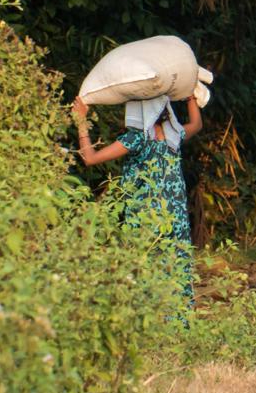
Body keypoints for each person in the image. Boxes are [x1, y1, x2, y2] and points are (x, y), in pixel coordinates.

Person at [71, 94, 203, 315]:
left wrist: (81, 121)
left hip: (145, 217)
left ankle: (148, 323)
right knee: (176, 267)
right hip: (175, 217)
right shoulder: (174, 134)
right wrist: (190, 97)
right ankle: (178, 323)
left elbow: (90, 158)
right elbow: (197, 124)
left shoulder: (137, 138)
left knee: (144, 267)